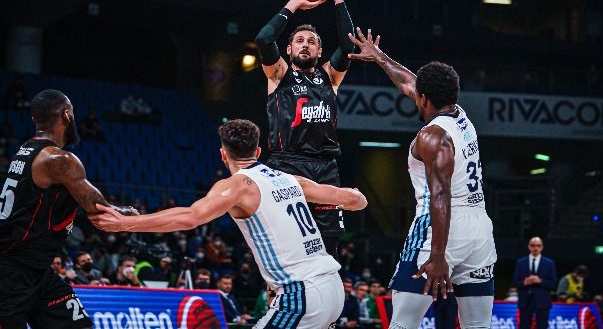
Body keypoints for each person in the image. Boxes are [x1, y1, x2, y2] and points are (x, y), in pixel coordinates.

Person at [90, 118, 368, 328]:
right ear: (258, 150)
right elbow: (356, 201)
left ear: (223, 154)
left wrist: (125, 223)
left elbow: (191, 217)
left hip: (302, 293)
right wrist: (354, 196)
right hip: (333, 287)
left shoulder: (239, 186)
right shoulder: (290, 179)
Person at [348, 28, 498, 329]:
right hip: (480, 229)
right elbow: (409, 82)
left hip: (441, 228)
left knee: (403, 322)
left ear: (424, 98)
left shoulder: (433, 137)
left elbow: (440, 195)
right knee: (479, 325)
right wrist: (379, 58)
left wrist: (438, 255)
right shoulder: (460, 115)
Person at [0, 89, 138, 329]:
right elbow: (98, 208)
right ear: (66, 115)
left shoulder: (26, 150)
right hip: (12, 271)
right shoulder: (60, 160)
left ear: (34, 119)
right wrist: (129, 215)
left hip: (37, 270)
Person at [254, 0, 355, 258]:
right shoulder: (278, 75)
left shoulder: (330, 77)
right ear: (288, 49)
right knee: (284, 242)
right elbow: (263, 39)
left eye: (312, 41)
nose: (305, 45)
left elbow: (348, 45)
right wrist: (294, 3)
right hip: (286, 165)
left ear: (320, 51)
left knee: (329, 246)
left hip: (325, 167)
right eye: (299, 40)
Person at [513, 237, 557, 329]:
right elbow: (515, 282)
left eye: (538, 246)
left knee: (542, 326)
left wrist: (540, 281)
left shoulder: (549, 263)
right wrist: (524, 282)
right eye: (533, 245)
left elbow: (553, 283)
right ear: (529, 247)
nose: (535, 248)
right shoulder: (520, 262)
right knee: (524, 326)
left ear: (542, 247)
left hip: (542, 301)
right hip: (525, 301)